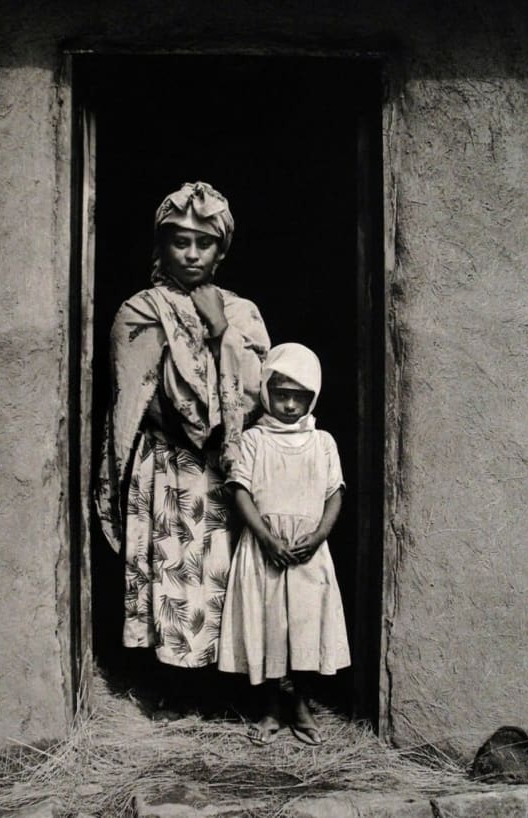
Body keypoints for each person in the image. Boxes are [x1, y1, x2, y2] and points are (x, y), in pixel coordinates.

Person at [95, 182, 270, 684]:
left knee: (219, 572)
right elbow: (136, 399)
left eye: (204, 242)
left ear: (221, 250)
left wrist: (219, 331)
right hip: (169, 465)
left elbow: (259, 393)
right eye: (180, 241)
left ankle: (221, 681)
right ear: (162, 244)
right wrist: (198, 434)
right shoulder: (141, 311)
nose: (192, 253)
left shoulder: (242, 314)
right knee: (173, 569)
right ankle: (171, 684)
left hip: (227, 471)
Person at [218, 342, 350, 745]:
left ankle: (302, 706)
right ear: (266, 392)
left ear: (313, 397)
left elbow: (335, 492)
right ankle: (271, 709)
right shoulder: (255, 439)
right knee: (269, 627)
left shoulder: (322, 441)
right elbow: (239, 489)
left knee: (306, 629)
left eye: (300, 396)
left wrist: (320, 535)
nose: (290, 405)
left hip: (309, 552)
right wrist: (266, 538)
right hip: (265, 549)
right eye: (281, 394)